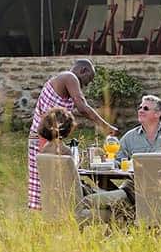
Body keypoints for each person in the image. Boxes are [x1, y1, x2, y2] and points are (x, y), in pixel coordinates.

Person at [81, 95, 161, 220]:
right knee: (123, 193)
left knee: (120, 195)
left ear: (157, 113)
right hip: (136, 189)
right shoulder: (130, 137)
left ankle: (90, 194)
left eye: (145, 108)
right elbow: (118, 161)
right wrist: (105, 160)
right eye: (140, 107)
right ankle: (93, 195)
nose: (140, 110)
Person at [27, 59, 117, 210]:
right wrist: (106, 126)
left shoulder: (63, 81)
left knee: (47, 182)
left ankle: (51, 218)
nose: (87, 84)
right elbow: (82, 106)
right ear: (83, 71)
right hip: (43, 138)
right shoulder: (70, 77)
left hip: (40, 137)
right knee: (47, 182)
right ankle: (50, 218)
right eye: (89, 79)